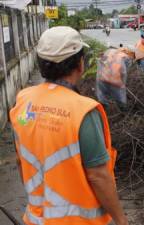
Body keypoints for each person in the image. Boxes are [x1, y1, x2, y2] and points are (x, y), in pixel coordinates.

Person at [9, 26, 128, 225]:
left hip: (36, 218)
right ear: (80, 64)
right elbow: (99, 176)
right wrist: (121, 220)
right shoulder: (83, 111)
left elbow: (21, 160)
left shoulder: (23, 100)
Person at [96, 46, 135, 111]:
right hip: (114, 80)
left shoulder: (110, 51)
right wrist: (122, 84)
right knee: (120, 98)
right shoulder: (124, 57)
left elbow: (101, 61)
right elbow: (121, 73)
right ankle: (123, 111)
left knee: (102, 95)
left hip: (101, 77)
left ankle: (103, 109)